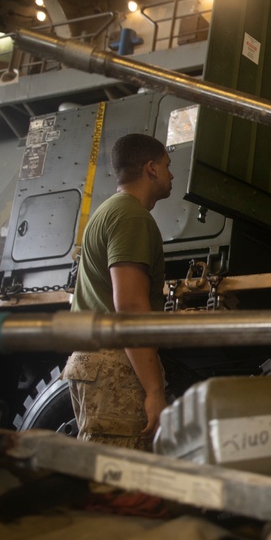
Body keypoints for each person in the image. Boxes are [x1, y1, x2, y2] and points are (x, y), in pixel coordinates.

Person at [62, 133, 173, 450]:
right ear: (151, 168)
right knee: (120, 484)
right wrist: (154, 390)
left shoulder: (107, 211)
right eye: (167, 165)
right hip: (116, 365)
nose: (172, 174)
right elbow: (130, 307)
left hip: (93, 360)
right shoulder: (131, 217)